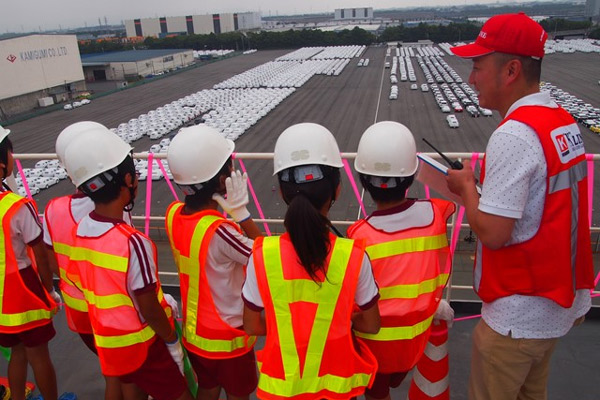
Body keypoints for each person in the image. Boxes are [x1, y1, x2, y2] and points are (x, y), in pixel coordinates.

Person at [447, 12, 594, 400]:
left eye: (478, 66)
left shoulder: (514, 134)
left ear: (511, 70)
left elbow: (495, 235)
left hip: (516, 319)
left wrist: (465, 188)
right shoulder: (561, 121)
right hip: (555, 305)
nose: (471, 78)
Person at [242, 123, 381, 399]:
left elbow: (251, 326)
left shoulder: (262, 255)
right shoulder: (353, 256)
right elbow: (372, 325)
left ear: (282, 193)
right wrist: (342, 320)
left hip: (280, 391)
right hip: (338, 391)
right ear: (337, 191)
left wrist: (291, 326)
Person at [62, 130, 193, 400]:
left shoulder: (81, 230)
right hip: (142, 342)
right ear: (128, 179)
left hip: (108, 339)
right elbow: (147, 304)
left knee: (129, 388)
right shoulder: (133, 242)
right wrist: (170, 340)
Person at [347, 121, 456, 400]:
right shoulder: (437, 214)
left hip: (376, 344)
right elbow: (458, 196)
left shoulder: (358, 235)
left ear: (363, 181)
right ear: (411, 176)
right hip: (416, 338)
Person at [42, 122, 137, 400]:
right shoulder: (113, 210)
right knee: (126, 376)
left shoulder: (52, 209)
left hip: (79, 311)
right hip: (113, 313)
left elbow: (52, 261)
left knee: (111, 372)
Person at [165, 126, 260, 400]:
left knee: (207, 388)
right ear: (222, 182)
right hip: (227, 340)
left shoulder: (173, 214)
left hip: (195, 335)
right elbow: (265, 256)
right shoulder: (219, 231)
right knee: (237, 393)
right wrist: (242, 215)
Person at [0, 124, 59, 400]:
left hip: (1, 296)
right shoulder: (16, 206)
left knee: (17, 354)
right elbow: (40, 252)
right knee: (39, 356)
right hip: (23, 290)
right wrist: (48, 288)